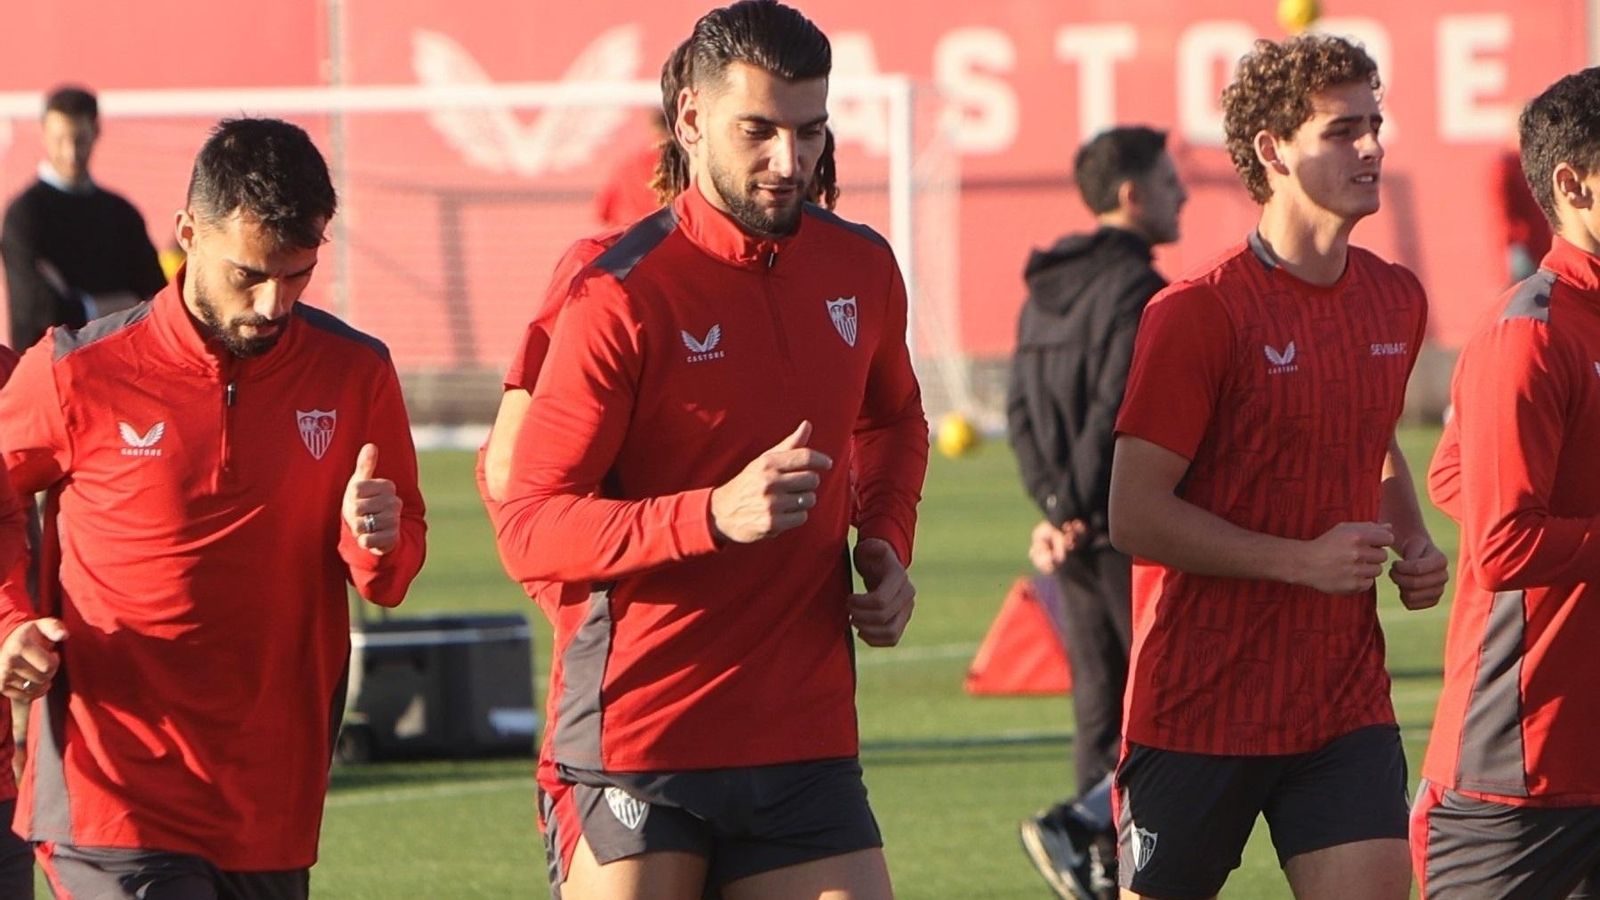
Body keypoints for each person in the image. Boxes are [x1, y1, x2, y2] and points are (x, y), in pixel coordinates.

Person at [490, 2, 928, 897]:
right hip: (640, 736)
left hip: (804, 734)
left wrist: (882, 543)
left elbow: (894, 421)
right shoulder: (617, 293)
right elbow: (528, 524)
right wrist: (709, 516)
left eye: (809, 134)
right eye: (758, 131)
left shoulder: (861, 268)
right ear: (689, 121)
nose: (788, 162)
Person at [0, 117, 427, 899]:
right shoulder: (76, 372)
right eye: (249, 275)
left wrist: (379, 542)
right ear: (186, 233)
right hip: (114, 802)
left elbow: (391, 574)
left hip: (271, 804)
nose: (274, 303)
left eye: (298, 276)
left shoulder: (355, 374)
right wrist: (10, 622)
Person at [1106, 34, 1449, 899]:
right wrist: (1298, 561)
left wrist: (1410, 538)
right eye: (1342, 131)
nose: (1372, 146)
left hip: (1343, 704)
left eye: (1375, 124)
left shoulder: (1395, 297)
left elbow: (1373, 441)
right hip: (1198, 703)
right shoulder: (1197, 313)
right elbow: (1134, 515)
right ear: (1272, 151)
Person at [1412, 66, 1600, 899]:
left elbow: (1456, 471)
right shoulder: (1531, 333)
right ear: (1572, 184)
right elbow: (1501, 541)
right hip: (1523, 762)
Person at [1007, 124, 1186, 900]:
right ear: (1132, 195)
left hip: (1067, 529)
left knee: (1097, 707)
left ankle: (1100, 868)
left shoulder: (1044, 288)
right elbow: (1118, 409)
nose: (1182, 196)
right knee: (1162, 705)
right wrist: (1080, 504)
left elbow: (1017, 410)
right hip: (1126, 530)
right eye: (1172, 182)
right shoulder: (1139, 291)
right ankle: (1089, 833)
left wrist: (1052, 507)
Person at [1, 85, 166, 351]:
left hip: (115, 365)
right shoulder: (24, 215)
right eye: (60, 139)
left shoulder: (122, 214)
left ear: (95, 132)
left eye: (79, 139)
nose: (70, 152)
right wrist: (113, 307)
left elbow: (154, 298)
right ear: (44, 134)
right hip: (47, 372)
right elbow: (38, 311)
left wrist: (82, 306)